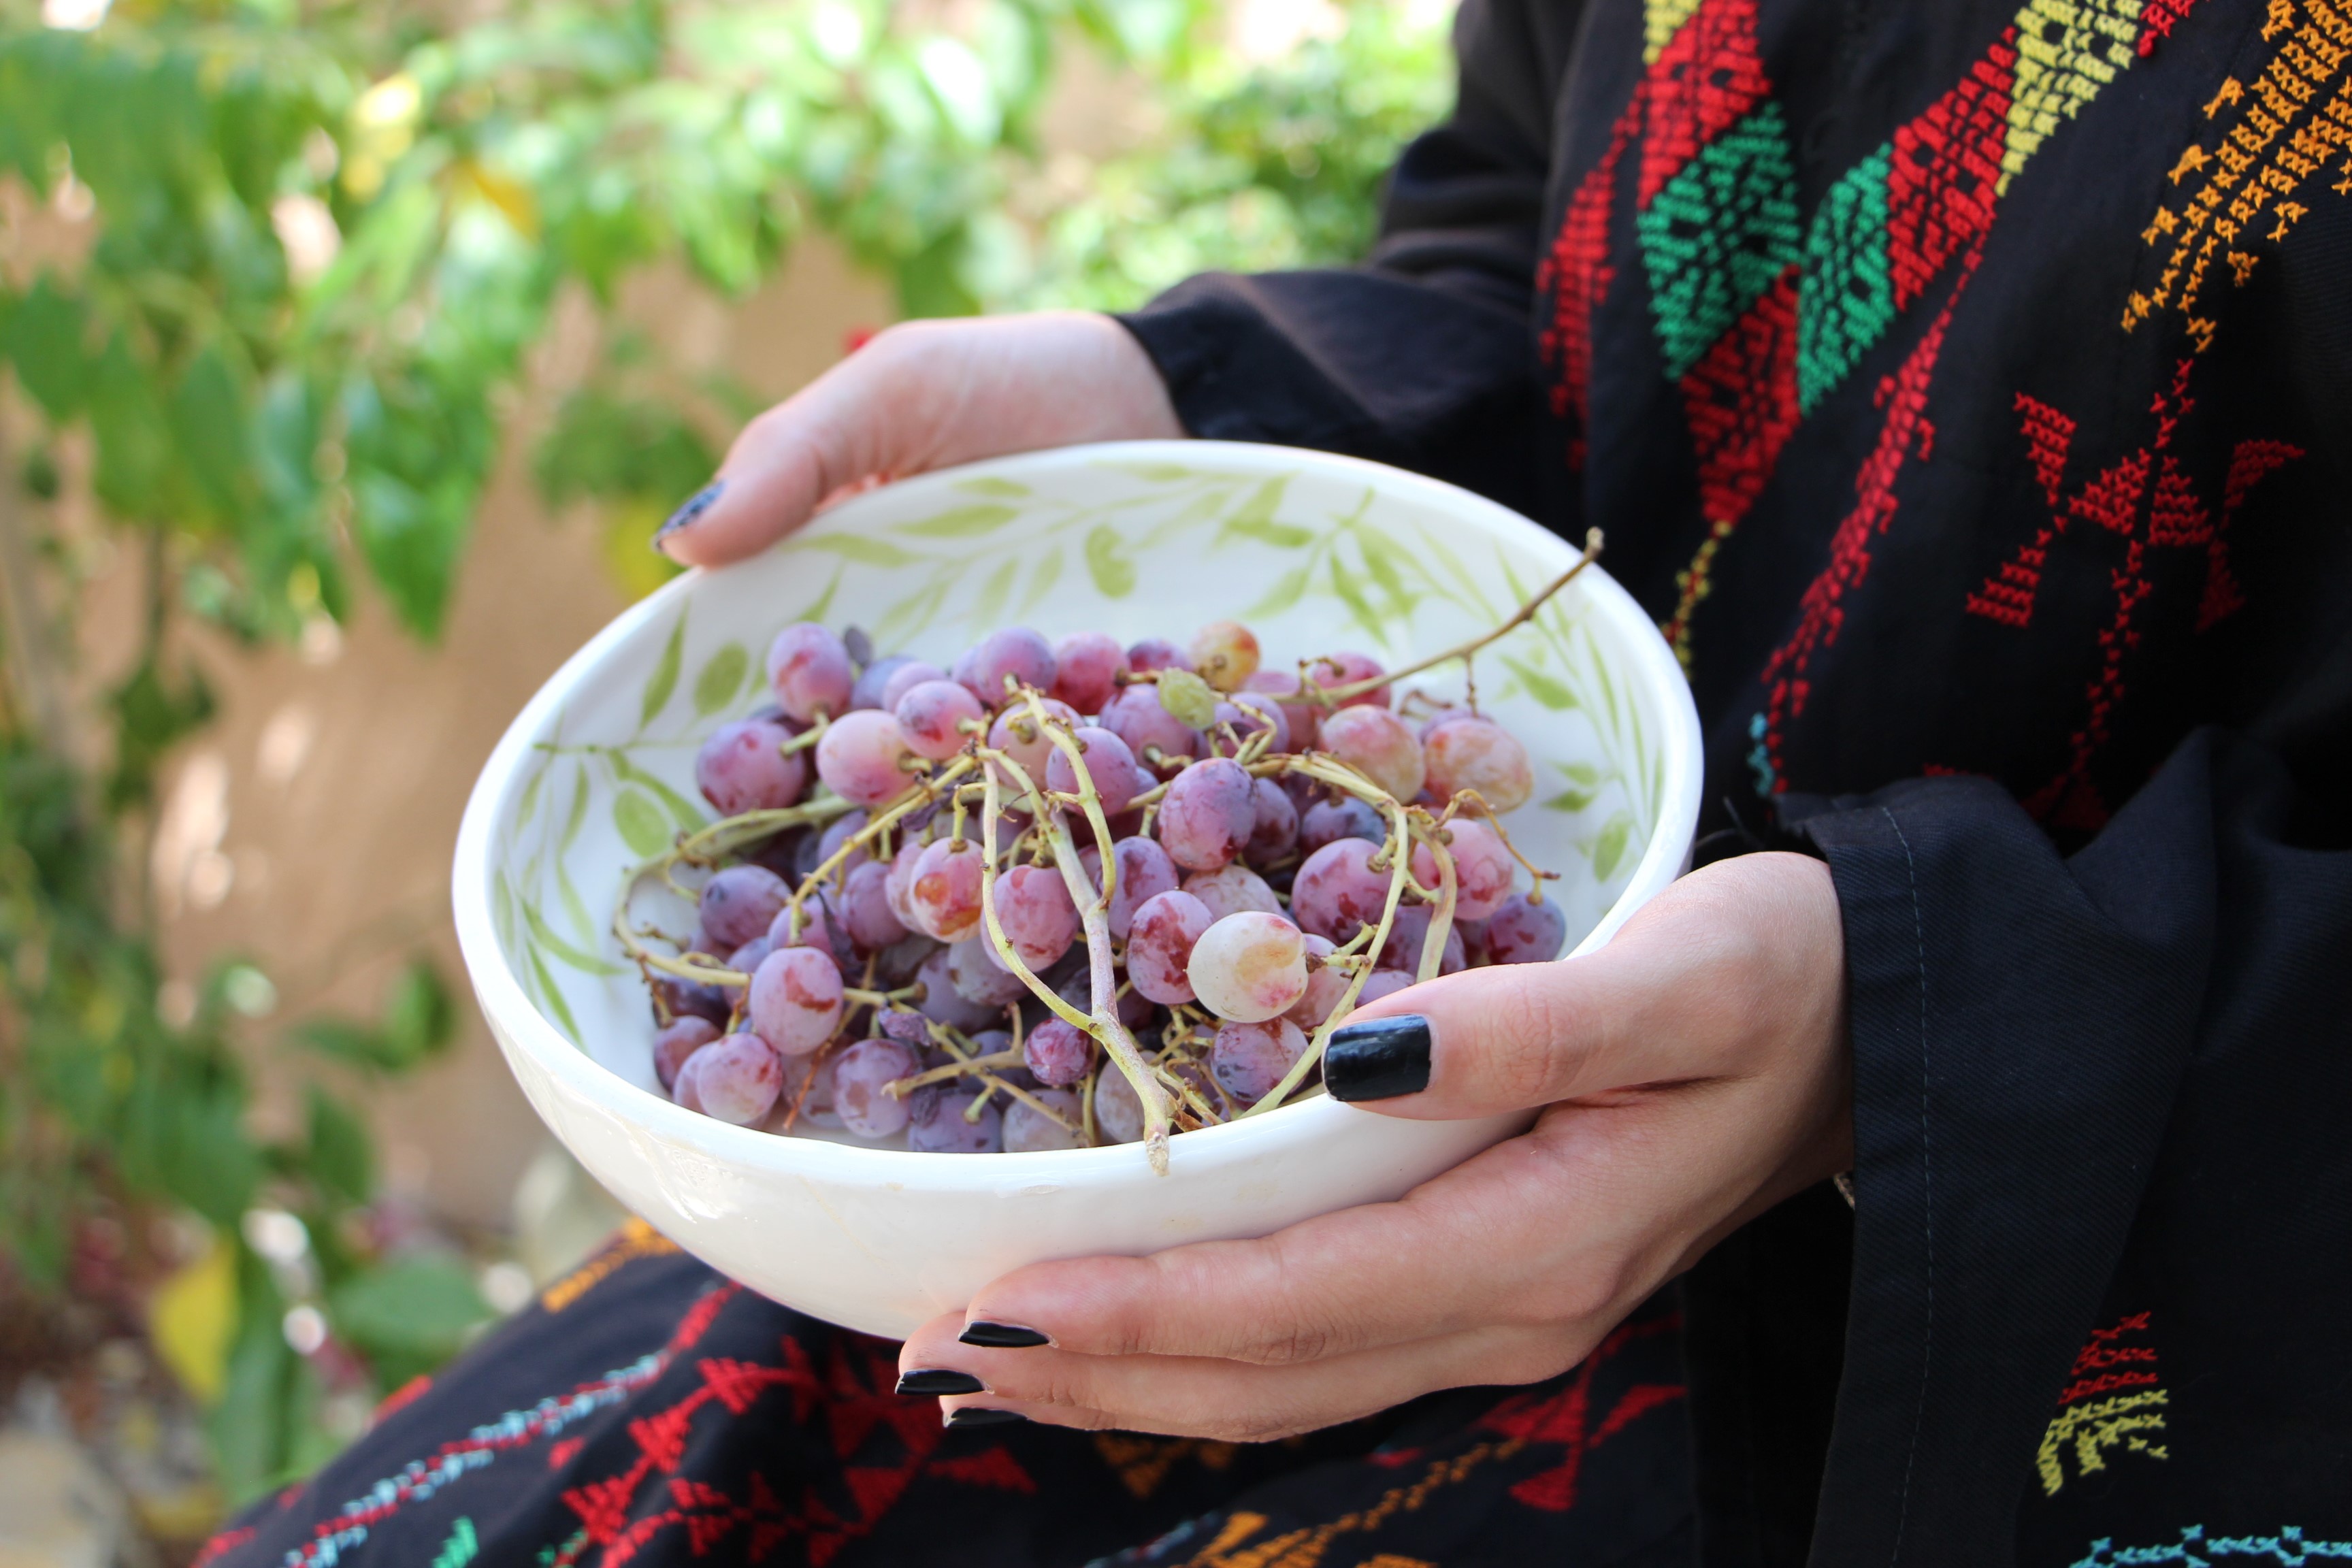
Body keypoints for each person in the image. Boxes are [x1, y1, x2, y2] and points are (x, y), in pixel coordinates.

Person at [201, 0, 2352, 1563]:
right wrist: (1199, 401)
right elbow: (1524, 204)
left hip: (2046, 1329)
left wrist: (1922, 1031)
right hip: (1297, 1133)